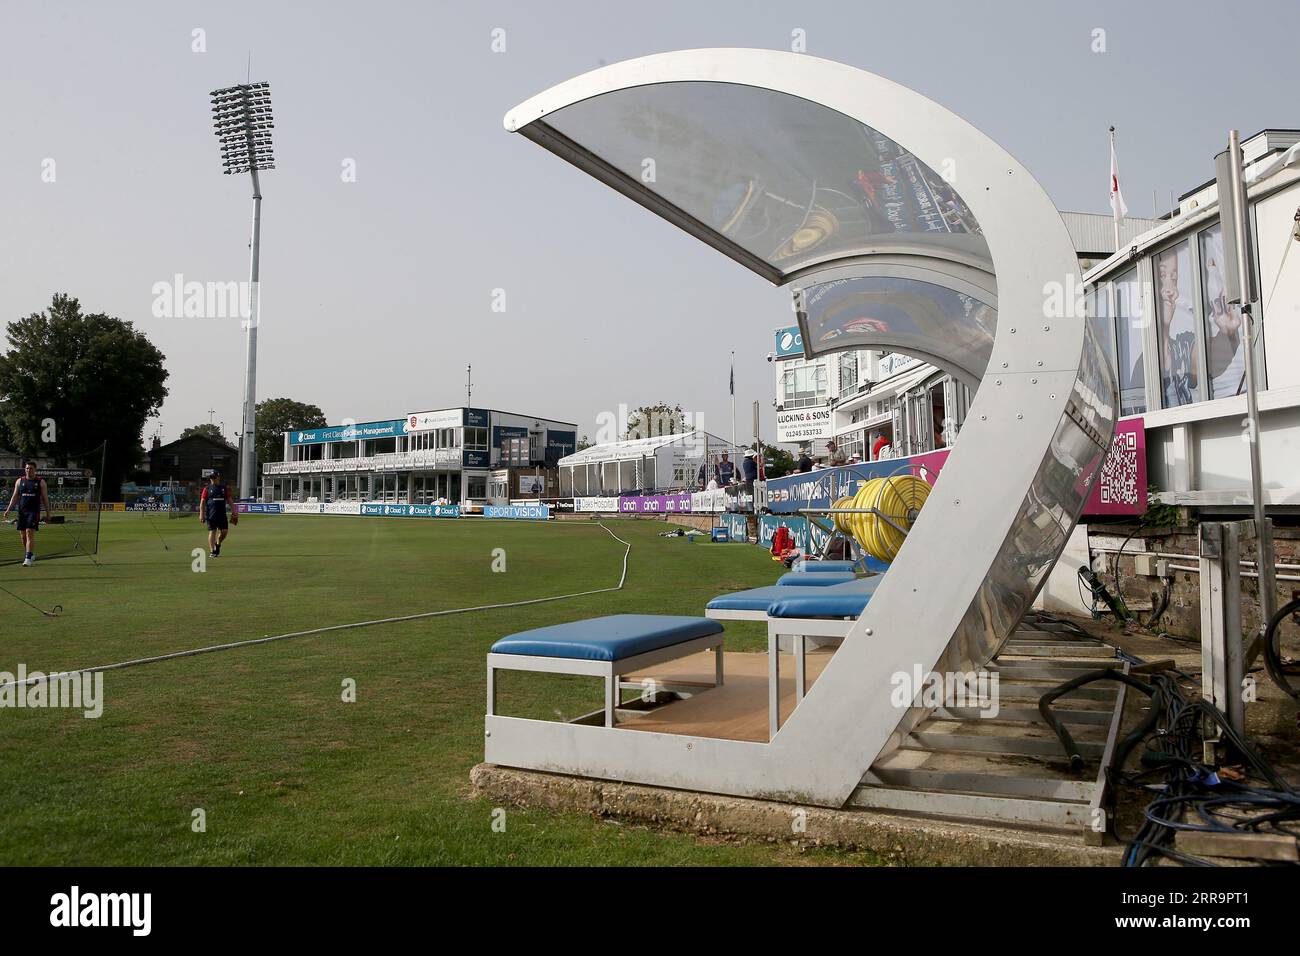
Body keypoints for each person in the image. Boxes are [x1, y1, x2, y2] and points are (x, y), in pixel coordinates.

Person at [3, 460, 52, 567]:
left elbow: (45, 498)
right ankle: (29, 553)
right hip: (21, 512)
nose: (28, 470)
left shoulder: (41, 482)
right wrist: (8, 509)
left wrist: (48, 513)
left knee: (29, 532)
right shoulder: (19, 481)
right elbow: (15, 496)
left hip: (34, 512)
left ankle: (28, 558)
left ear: (35, 470)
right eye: (27, 468)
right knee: (23, 535)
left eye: (31, 468)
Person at [198, 470, 237, 558]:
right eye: (211, 478)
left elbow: (230, 500)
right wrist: (201, 514)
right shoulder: (207, 488)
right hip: (211, 514)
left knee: (224, 532)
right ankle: (212, 551)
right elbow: (202, 502)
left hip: (222, 514)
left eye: (214, 478)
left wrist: (234, 511)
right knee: (212, 531)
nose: (212, 479)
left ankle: (218, 543)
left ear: (218, 478)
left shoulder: (224, 488)